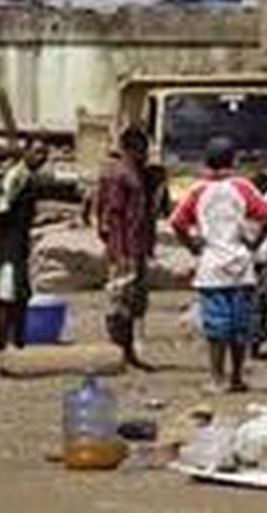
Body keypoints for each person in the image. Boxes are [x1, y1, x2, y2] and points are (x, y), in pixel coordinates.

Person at [170, 137, 267, 393]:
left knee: (216, 327)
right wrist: (255, 243)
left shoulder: (198, 191)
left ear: (207, 162)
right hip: (241, 265)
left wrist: (193, 245)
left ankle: (217, 378)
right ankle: (237, 377)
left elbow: (177, 222)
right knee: (240, 326)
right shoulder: (242, 187)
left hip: (212, 266)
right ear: (233, 161)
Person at [95, 126, 165, 370]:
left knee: (134, 301)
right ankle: (120, 353)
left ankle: (128, 352)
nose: (146, 155)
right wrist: (121, 250)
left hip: (137, 246)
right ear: (132, 149)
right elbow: (113, 215)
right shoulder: (120, 175)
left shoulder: (137, 174)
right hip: (124, 248)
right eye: (142, 150)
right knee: (120, 301)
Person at [0, 139, 50, 354]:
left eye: (45, 153)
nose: (42, 158)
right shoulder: (17, 176)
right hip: (8, 246)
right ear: (26, 153)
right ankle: (2, 347)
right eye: (38, 152)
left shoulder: (30, 178)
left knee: (21, 297)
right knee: (7, 298)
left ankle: (18, 343)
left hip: (19, 244)